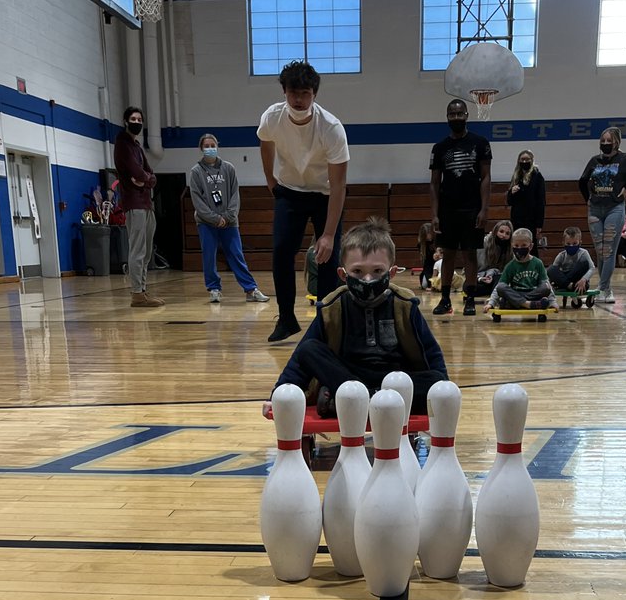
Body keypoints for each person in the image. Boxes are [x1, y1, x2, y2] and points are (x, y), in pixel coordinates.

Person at [271, 217, 447, 415]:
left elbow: (431, 352)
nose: (368, 279)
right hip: (348, 378)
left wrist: (443, 388)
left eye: (378, 271)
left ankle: (356, 400)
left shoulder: (405, 304)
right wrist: (279, 394)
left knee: (435, 380)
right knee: (309, 349)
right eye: (357, 271)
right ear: (343, 274)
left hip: (396, 379)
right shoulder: (332, 306)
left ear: (392, 272)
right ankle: (365, 399)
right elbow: (300, 358)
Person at [257, 60, 350, 343]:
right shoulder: (272, 117)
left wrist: (329, 235)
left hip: (325, 194)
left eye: (305, 93)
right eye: (293, 92)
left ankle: (325, 323)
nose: (299, 99)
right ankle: (286, 318)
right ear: (284, 92)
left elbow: (339, 185)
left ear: (314, 94)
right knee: (282, 251)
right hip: (290, 191)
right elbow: (265, 143)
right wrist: (271, 180)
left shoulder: (331, 128)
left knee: (328, 257)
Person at [429, 98, 492, 317]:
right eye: (451, 114)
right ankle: (445, 300)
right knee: (448, 254)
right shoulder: (439, 148)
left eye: (459, 113)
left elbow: (485, 177)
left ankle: (470, 299)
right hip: (448, 209)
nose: (456, 117)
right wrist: (434, 214)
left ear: (467, 115)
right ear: (447, 117)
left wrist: (484, 209)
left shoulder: (480, 143)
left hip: (472, 208)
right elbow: (435, 183)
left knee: (470, 255)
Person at [189, 134, 269, 305]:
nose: (210, 148)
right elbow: (197, 200)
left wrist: (227, 216)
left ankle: (250, 289)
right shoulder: (196, 172)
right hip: (206, 223)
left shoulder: (228, 168)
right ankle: (214, 289)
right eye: (206, 145)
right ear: (201, 149)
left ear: (217, 146)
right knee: (209, 256)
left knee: (236, 254)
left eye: (213, 145)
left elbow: (235, 194)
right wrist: (214, 218)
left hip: (229, 222)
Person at [578, 126, 626, 305]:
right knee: (600, 251)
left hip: (615, 207)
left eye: (608, 141)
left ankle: (604, 288)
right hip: (595, 208)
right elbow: (582, 180)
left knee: (609, 250)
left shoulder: (625, 159)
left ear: (617, 142)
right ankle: (603, 288)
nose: (605, 144)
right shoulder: (594, 160)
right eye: (602, 141)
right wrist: (587, 198)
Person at [113, 104, 163, 307]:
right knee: (138, 249)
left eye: (139, 120)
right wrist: (144, 178)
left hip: (146, 202)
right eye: (133, 120)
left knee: (147, 250)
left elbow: (151, 175)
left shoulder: (137, 147)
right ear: (126, 121)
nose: (136, 123)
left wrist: (147, 180)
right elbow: (137, 172)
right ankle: (136, 293)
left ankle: (142, 290)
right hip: (134, 203)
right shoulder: (122, 144)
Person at [482, 228, 554, 312]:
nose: (519, 248)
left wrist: (553, 302)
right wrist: (491, 303)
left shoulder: (538, 263)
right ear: (512, 246)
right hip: (515, 293)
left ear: (530, 246)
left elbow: (546, 283)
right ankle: (529, 304)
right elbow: (499, 286)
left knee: (546, 287)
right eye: (516, 246)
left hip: (533, 293)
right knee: (501, 287)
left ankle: (514, 303)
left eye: (523, 245)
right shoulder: (510, 266)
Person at [506, 150, 546, 250]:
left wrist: (539, 224)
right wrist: (511, 192)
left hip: (531, 219)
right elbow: (509, 201)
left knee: (531, 246)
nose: (524, 162)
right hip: (517, 218)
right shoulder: (516, 176)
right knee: (517, 244)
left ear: (532, 161)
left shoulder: (537, 176)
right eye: (522, 159)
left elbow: (541, 201)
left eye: (527, 159)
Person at [547, 227, 595, 298]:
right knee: (551, 269)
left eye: (575, 243)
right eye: (568, 244)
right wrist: (550, 283)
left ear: (580, 242)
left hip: (579, 281)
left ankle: (566, 286)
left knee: (584, 263)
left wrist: (583, 279)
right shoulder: (561, 255)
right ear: (563, 243)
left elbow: (592, 268)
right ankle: (570, 286)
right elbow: (554, 272)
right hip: (566, 279)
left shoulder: (584, 253)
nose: (571, 246)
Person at [476, 219, 512, 292]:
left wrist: (493, 273)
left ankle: (495, 291)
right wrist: (480, 278)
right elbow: (473, 270)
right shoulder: (484, 243)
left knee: (499, 281)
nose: (503, 235)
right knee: (467, 287)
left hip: (498, 277)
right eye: (501, 232)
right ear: (495, 232)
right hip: (482, 277)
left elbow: (508, 273)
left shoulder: (510, 249)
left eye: (507, 233)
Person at [417, 222, 437, 288]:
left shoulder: (437, 242)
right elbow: (426, 263)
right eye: (426, 234)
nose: (429, 236)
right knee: (425, 285)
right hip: (428, 268)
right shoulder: (421, 245)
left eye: (430, 233)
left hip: (438, 266)